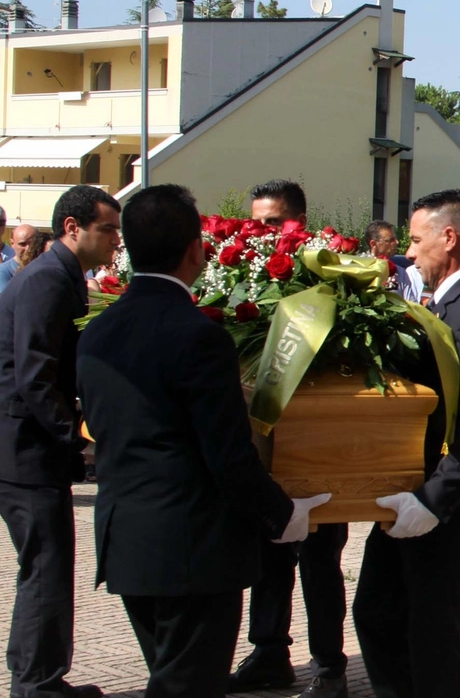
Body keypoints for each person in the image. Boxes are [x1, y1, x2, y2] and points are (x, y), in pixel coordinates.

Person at [78, 185, 327, 698]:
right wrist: (283, 515)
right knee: (188, 686)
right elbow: (227, 454)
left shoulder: (97, 331)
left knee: (170, 676)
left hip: (127, 540)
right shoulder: (198, 335)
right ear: (197, 249)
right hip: (191, 548)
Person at [353, 189, 460, 696]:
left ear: (449, 239)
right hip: (414, 493)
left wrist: (434, 499)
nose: (409, 250)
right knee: (380, 615)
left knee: (432, 640)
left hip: (439, 506)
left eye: (417, 238)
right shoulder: (450, 301)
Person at [231, 180, 353, 698]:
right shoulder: (240, 275)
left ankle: (329, 665)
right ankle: (269, 654)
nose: (264, 232)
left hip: (319, 443)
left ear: (299, 222)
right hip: (264, 441)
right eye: (257, 222)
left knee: (320, 561)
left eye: (275, 222)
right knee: (268, 556)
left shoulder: (332, 276)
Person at [0, 186, 118, 698]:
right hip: (22, 445)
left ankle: (37, 676)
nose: (116, 239)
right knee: (46, 564)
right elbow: (35, 372)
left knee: (44, 564)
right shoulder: (47, 280)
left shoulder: (59, 275)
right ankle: (38, 684)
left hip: (25, 442)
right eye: (108, 229)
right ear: (73, 228)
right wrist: (74, 439)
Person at [0, 223, 38, 294]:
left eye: (32, 243)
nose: (28, 248)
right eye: (22, 244)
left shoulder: (45, 267)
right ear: (12, 243)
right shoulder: (3, 271)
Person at [363, 220, 401, 290]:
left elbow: (409, 300)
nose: (396, 242)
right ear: (373, 244)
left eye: (395, 239)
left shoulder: (400, 273)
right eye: (391, 240)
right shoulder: (360, 270)